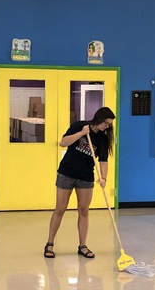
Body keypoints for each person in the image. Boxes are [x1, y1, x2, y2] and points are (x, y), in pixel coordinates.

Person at [44, 107, 115, 259]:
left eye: (109, 125)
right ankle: (50, 243)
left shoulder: (103, 137)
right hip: (66, 173)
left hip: (85, 177)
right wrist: (82, 133)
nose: (107, 127)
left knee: (84, 211)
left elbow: (103, 161)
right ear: (99, 119)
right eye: (106, 123)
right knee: (60, 209)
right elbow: (63, 143)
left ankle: (83, 246)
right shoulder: (78, 126)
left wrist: (103, 177)